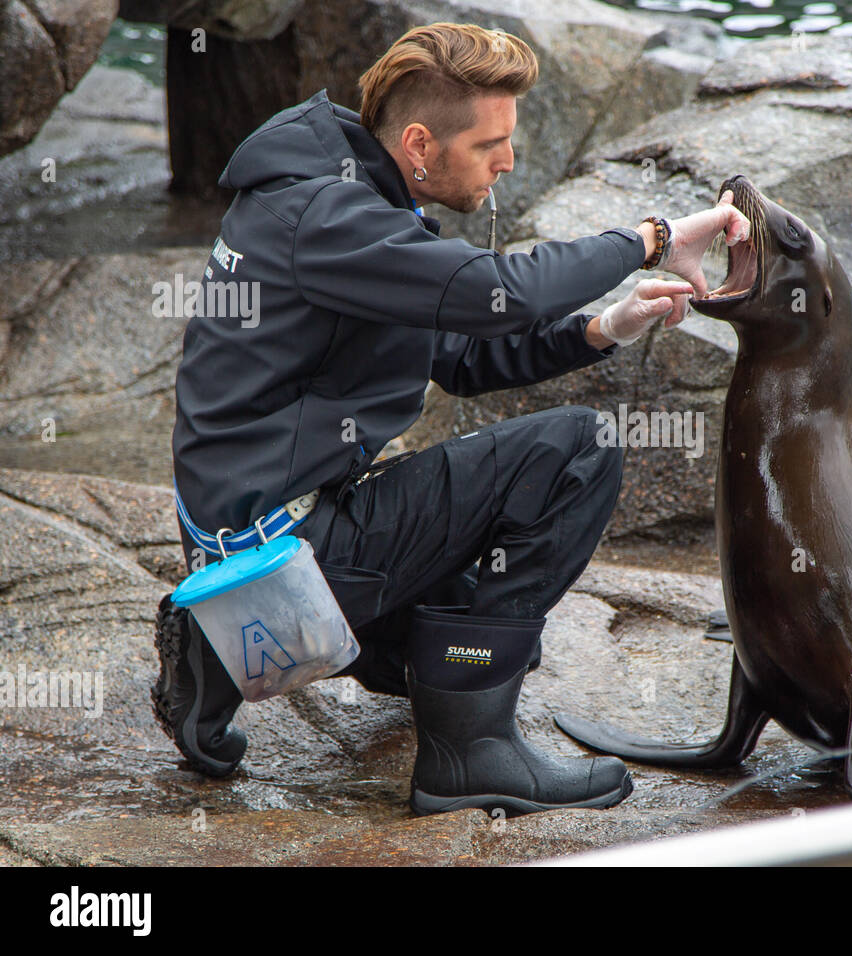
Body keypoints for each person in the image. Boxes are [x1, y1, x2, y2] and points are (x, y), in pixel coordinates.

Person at [152, 21, 749, 817]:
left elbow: (463, 358)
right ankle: (469, 756)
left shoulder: (339, 197)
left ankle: (216, 654)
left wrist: (605, 328)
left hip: (257, 536)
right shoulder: (327, 220)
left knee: (485, 641)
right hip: (280, 548)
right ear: (421, 142)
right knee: (580, 450)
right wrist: (653, 238)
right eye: (491, 144)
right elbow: (508, 289)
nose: (508, 162)